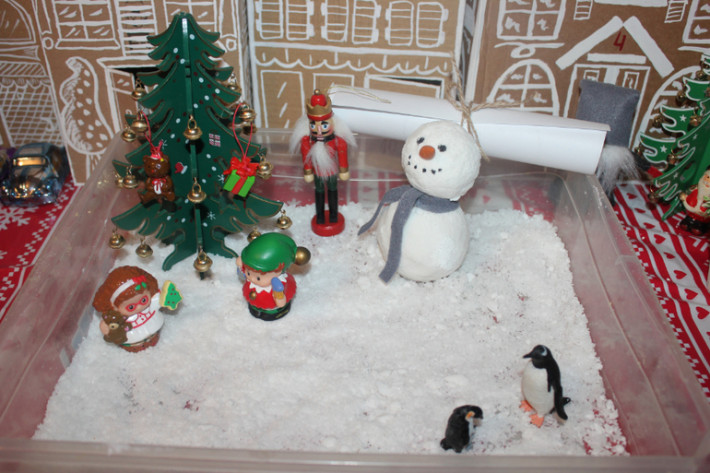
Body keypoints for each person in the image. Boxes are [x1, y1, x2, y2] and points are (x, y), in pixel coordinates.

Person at [290, 88, 355, 236]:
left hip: (331, 171)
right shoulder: (307, 141)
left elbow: (342, 154)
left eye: (324, 126)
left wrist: (344, 169)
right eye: (314, 126)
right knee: (319, 192)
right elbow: (306, 156)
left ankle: (333, 215)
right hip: (318, 172)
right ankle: (319, 216)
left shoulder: (337, 140)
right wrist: (308, 171)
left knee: (332, 191)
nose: (319, 131)